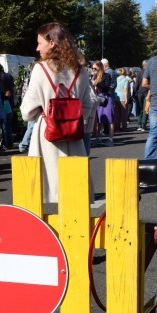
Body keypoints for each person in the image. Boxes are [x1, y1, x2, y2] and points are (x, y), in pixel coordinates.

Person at [20, 22, 96, 204]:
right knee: (74, 193)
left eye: (40, 43)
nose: (37, 48)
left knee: (44, 191)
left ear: (52, 42)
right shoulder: (80, 71)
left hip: (47, 135)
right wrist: (71, 115)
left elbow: (26, 111)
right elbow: (88, 105)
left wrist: (43, 110)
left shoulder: (40, 69)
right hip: (74, 135)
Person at [0, 62, 16, 149]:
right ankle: (8, 143)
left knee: (2, 125)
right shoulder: (1, 81)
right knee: (6, 125)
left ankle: (4, 144)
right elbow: (8, 93)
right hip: (5, 104)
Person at [90, 61, 115, 147]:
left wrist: (97, 83)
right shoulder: (94, 76)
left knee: (110, 120)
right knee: (99, 119)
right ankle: (99, 137)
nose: (93, 70)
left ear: (100, 68)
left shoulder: (106, 75)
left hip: (107, 98)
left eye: (95, 68)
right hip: (99, 98)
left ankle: (110, 139)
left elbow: (107, 86)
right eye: (92, 68)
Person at [115, 67, 131, 132]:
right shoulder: (125, 80)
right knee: (124, 113)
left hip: (116, 97)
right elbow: (126, 90)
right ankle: (124, 127)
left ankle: (117, 127)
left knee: (117, 113)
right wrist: (126, 98)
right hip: (122, 97)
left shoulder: (117, 78)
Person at [136, 60, 149, 131]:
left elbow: (137, 84)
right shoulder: (149, 72)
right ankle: (144, 124)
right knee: (145, 109)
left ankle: (139, 124)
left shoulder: (139, 73)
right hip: (147, 92)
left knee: (140, 108)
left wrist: (135, 93)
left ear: (142, 65)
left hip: (139, 92)